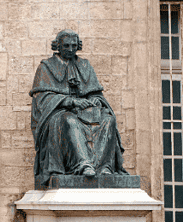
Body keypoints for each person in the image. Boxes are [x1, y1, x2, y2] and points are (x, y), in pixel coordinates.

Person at [29, 29, 127, 189]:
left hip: (86, 111)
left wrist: (94, 99)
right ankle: (83, 165)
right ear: (58, 46)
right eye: (66, 45)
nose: (70, 49)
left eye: (74, 45)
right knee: (69, 121)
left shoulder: (85, 65)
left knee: (108, 120)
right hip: (58, 113)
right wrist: (70, 102)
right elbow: (42, 99)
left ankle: (104, 167)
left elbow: (96, 92)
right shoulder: (46, 67)